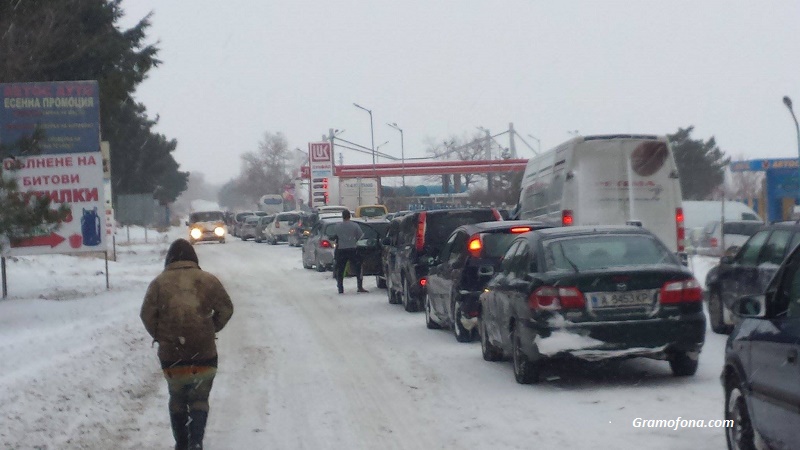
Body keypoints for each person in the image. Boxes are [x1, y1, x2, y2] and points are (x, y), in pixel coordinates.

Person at [140, 239, 234, 450]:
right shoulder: (208, 281)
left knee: (177, 398)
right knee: (200, 398)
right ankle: (196, 441)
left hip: (172, 355)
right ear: (194, 258)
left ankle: (181, 443)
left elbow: (146, 315)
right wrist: (210, 329)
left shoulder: (159, 283)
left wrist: (161, 335)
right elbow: (226, 309)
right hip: (204, 353)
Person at [333, 209, 367, 294]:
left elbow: (335, 236)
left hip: (341, 250)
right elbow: (360, 236)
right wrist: (353, 240)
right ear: (349, 216)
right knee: (358, 267)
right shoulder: (355, 226)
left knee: (341, 269)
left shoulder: (337, 226)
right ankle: (359, 286)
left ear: (342, 216)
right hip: (352, 249)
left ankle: (340, 287)